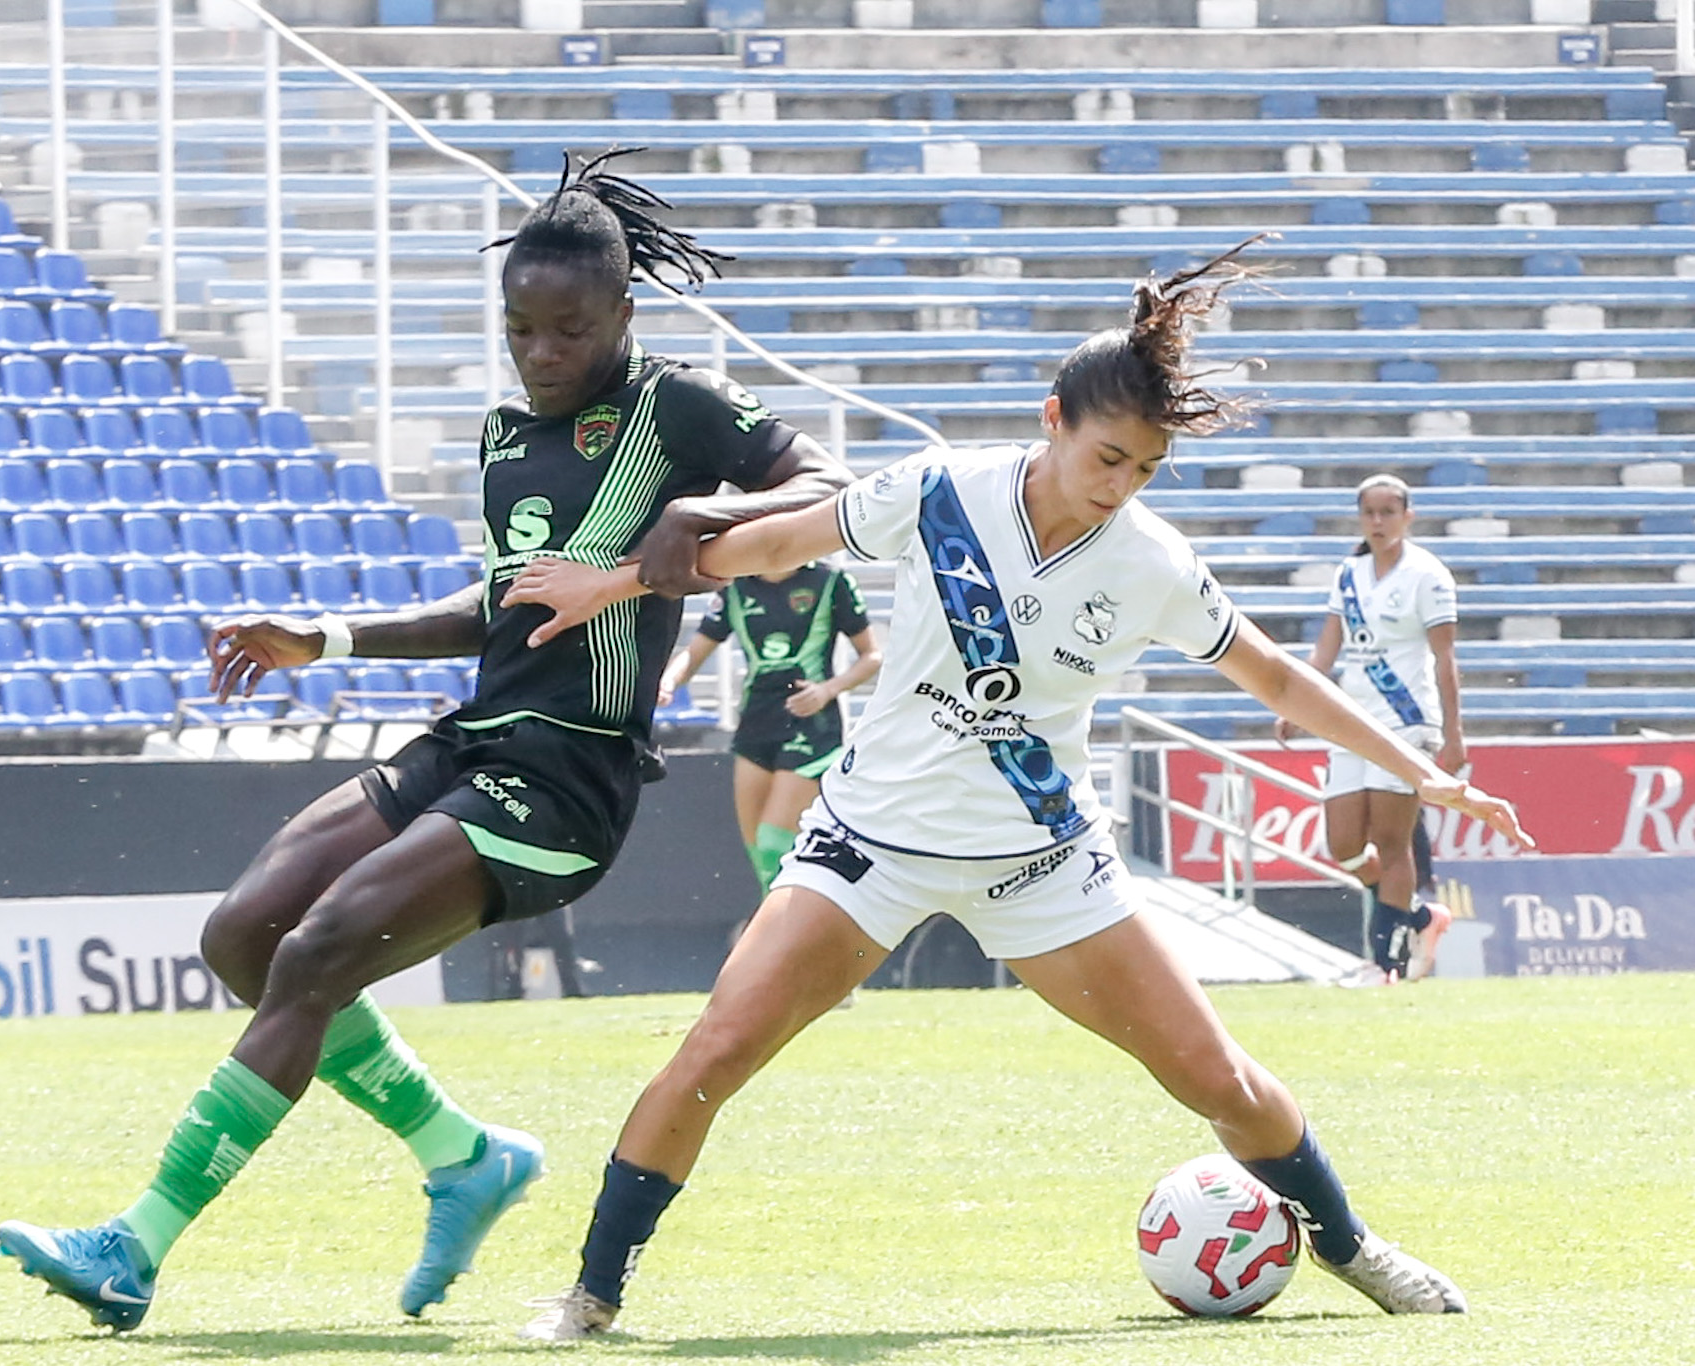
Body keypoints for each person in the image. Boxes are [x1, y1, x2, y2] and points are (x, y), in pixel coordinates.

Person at [498, 243, 1536, 1340]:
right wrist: (611, 580)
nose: (1118, 486)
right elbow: (770, 544)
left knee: (1215, 1076)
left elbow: (1273, 673)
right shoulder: (939, 491)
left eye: (1142, 469)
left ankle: (1352, 1247)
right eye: (1106, 457)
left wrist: (1424, 773)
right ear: (1052, 419)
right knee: (713, 1052)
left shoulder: (1149, 561)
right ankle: (590, 1293)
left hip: (1041, 861)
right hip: (869, 843)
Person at [0, 148, 850, 1333]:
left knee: (321, 948)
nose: (541, 355)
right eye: (521, 329)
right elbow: (501, 607)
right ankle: (464, 1157)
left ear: (622, 316)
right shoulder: (507, 438)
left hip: (568, 779)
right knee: (245, 934)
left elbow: (836, 488)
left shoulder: (674, 410)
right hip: (474, 738)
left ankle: (132, 1247)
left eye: (569, 330)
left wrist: (709, 509)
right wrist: (325, 639)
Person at [1273, 474, 1463, 984]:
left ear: (1408, 516)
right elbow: (1328, 648)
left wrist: (1453, 734)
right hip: (1350, 720)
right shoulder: (1349, 572)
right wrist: (1297, 703)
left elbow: (1445, 658)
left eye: (1388, 512)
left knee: (1392, 841)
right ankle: (1420, 919)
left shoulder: (1428, 575)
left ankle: (1386, 965)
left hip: (1405, 722)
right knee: (1344, 844)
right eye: (1369, 513)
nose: (1378, 522)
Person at [659, 563, 881, 894]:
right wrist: (668, 682)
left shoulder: (830, 582)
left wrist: (827, 690)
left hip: (811, 724)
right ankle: (785, 935)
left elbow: (871, 656)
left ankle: (797, 935)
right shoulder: (734, 587)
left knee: (773, 844)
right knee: (761, 859)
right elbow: (695, 652)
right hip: (755, 723)